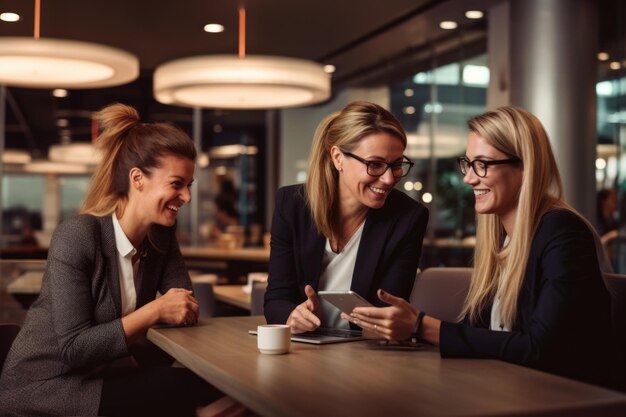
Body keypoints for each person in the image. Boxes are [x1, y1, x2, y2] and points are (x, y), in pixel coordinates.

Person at [344, 106, 614, 387]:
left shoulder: (562, 232)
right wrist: (409, 328)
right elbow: (486, 337)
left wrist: (420, 325)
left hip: (568, 400)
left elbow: (543, 349)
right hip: (511, 390)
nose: (469, 178)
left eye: (482, 164)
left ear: (524, 167)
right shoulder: (502, 237)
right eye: (468, 163)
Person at [0, 103, 222, 416]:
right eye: (176, 184)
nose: (186, 197)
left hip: (102, 374)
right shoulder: (77, 235)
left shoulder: (161, 236)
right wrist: (155, 310)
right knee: (182, 390)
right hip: (47, 386)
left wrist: (169, 311)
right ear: (138, 178)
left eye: (189, 185)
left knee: (200, 384)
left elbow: (184, 307)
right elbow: (75, 350)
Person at [264, 101, 429, 333]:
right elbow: (276, 300)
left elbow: (388, 309)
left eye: (397, 165)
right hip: (304, 347)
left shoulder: (408, 218)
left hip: (365, 352)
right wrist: (292, 315)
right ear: (338, 158)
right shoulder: (292, 204)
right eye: (375, 164)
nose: (389, 179)